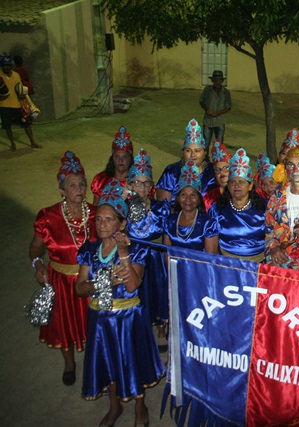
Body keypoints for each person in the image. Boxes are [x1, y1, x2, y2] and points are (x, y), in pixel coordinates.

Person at [75, 181, 165, 427]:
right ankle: (114, 407)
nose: (101, 225)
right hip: (100, 319)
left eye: (108, 220)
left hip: (128, 317)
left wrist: (123, 253)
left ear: (121, 224)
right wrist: (101, 283)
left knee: (131, 361)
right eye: (98, 220)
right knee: (108, 362)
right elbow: (80, 287)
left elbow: (133, 285)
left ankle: (139, 406)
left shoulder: (136, 251)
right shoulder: (89, 249)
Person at [29, 151, 96, 386]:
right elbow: (35, 250)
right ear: (62, 190)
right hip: (61, 282)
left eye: (82, 184)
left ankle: (95, 357)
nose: (79, 189)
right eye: (72, 185)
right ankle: (69, 362)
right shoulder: (47, 217)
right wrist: (37, 265)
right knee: (63, 326)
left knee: (95, 323)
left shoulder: (97, 214)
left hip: (90, 280)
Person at [125, 148, 171, 349]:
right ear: (129, 185)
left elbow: (167, 234)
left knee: (160, 289)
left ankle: (162, 328)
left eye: (146, 183)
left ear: (152, 186)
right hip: (133, 255)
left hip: (156, 256)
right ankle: (141, 326)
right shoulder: (123, 209)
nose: (141, 187)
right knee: (139, 292)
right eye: (137, 182)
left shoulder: (160, 207)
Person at [209, 148, 267, 261]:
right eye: (232, 182)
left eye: (241, 182)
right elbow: (212, 244)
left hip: (259, 265)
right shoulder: (217, 209)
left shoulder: (264, 208)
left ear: (250, 186)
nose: (237, 185)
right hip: (226, 265)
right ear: (228, 186)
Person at [156, 118, 217, 203]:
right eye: (188, 150)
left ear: (205, 153)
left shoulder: (213, 171)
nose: (192, 155)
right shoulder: (171, 172)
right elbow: (163, 205)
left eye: (197, 151)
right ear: (183, 152)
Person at [163, 161, 216, 253]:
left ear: (199, 199)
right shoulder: (170, 221)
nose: (188, 200)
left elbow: (211, 257)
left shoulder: (208, 223)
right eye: (183, 195)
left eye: (193, 195)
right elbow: (167, 252)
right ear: (178, 198)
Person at [0, 52, 39, 150]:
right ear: (1, 66)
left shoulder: (16, 75)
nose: (7, 67)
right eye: (5, 65)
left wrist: (23, 96)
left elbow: (20, 87)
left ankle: (33, 142)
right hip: (4, 105)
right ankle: (13, 144)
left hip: (17, 104)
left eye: (8, 65)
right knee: (7, 126)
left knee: (26, 123)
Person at [91, 126, 134, 205]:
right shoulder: (101, 180)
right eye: (117, 157)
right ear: (112, 159)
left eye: (125, 157)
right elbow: (95, 208)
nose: (120, 160)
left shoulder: (138, 181)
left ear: (130, 159)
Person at [199, 70, 231, 147]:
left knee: (219, 143)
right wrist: (206, 109)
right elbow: (201, 101)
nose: (217, 82)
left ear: (222, 81)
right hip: (208, 121)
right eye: (215, 80)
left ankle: (218, 158)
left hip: (219, 121)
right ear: (212, 80)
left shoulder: (225, 92)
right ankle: (205, 158)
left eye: (219, 80)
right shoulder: (207, 90)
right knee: (206, 142)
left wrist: (217, 113)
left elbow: (228, 106)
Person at [202, 139, 231, 211]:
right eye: (218, 169)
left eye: (225, 168)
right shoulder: (208, 197)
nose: (222, 172)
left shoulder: (240, 193)